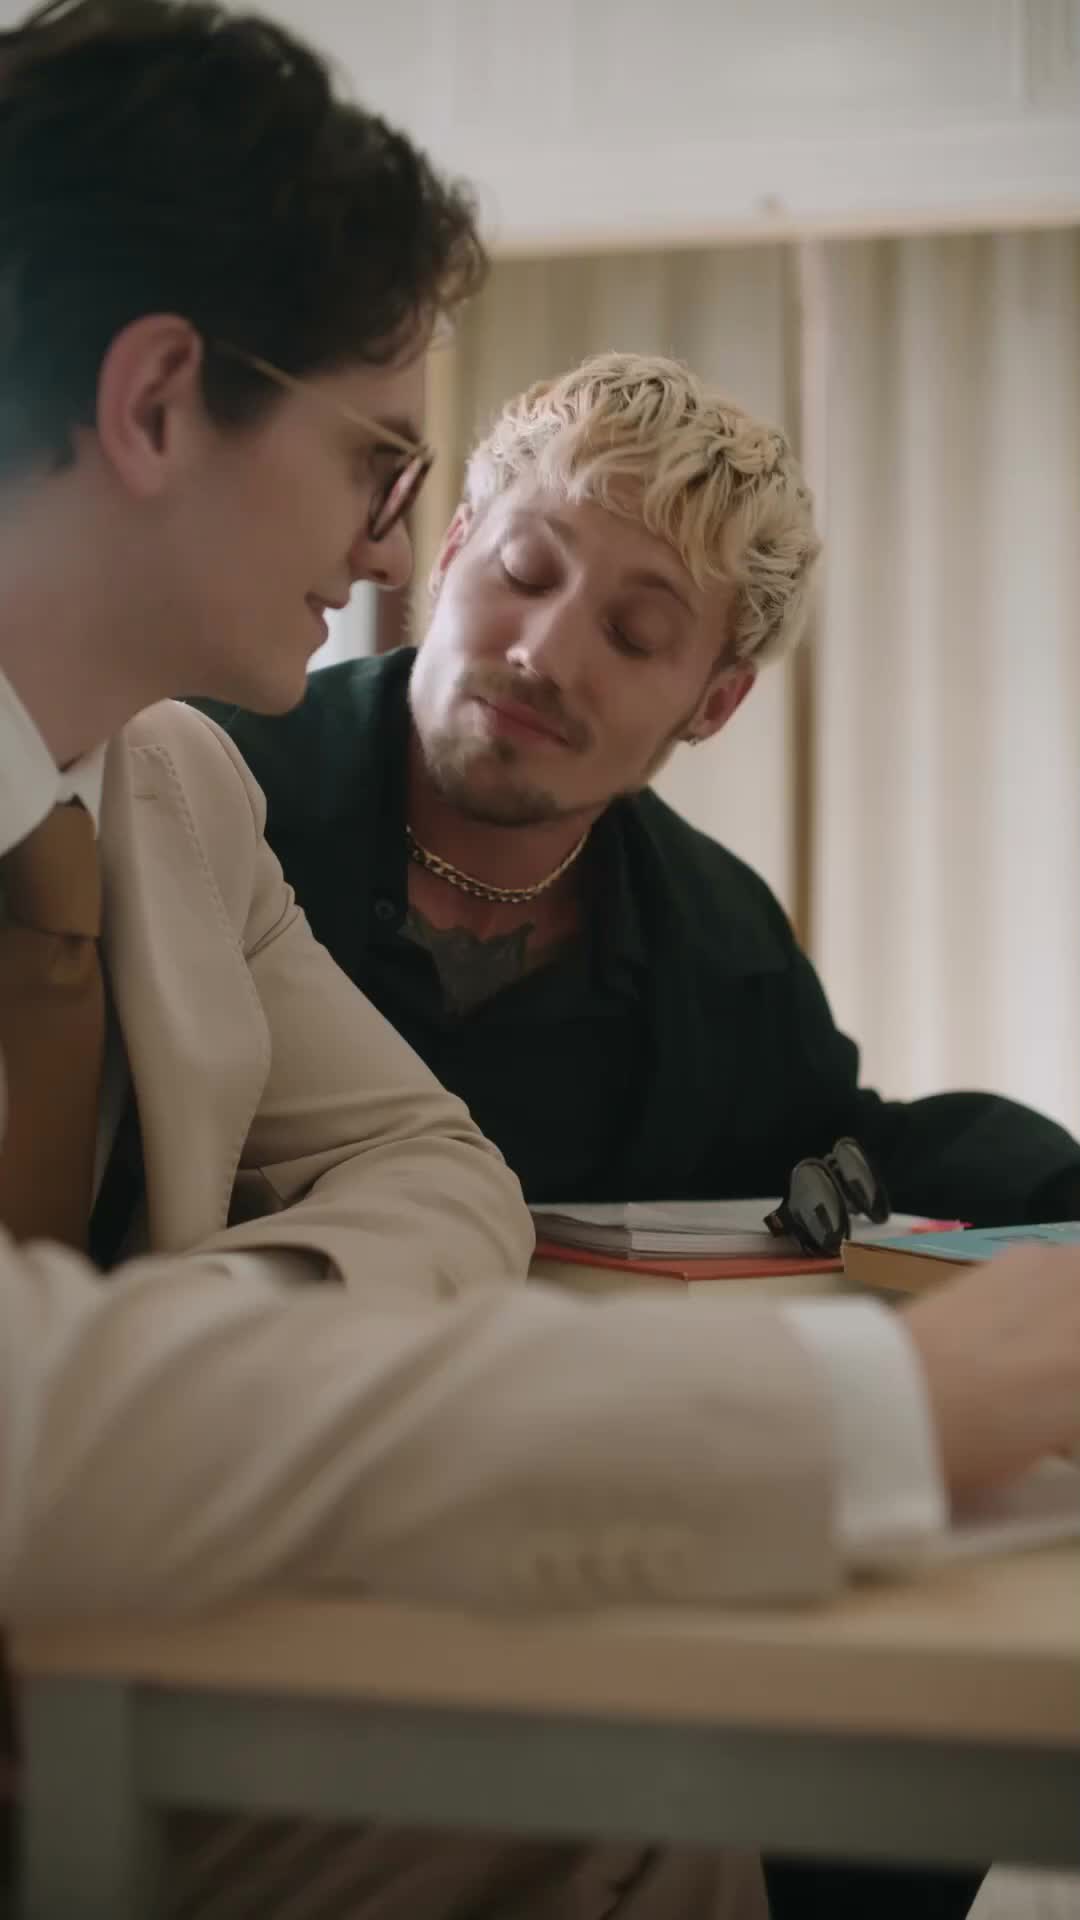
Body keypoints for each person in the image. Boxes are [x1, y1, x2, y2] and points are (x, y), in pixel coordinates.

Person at [3, 10, 1080, 1917]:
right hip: (161, 1634)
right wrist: (876, 1412)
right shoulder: (243, 769)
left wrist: (205, 1315)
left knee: (692, 1812)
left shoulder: (169, 792)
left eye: (641, 633)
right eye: (382, 468)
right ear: (159, 405)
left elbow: (443, 1168)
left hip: (179, 1614)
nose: (386, 551)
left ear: (711, 701)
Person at [199, 351, 1080, 1920]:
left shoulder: (716, 939)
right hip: (237, 1519)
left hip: (578, 1554)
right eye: (525, 572)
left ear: (713, 701)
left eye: (638, 632)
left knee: (890, 1787)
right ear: (448, 549)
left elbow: (835, 1141)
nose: (544, 651)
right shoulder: (207, 790)